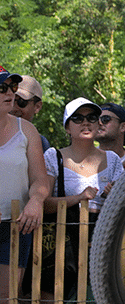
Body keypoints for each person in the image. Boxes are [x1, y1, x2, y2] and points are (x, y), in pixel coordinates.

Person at [42, 97, 125, 300]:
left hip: (103, 237)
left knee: (100, 295)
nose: (86, 122)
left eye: (92, 117)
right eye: (77, 118)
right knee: (54, 295)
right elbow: (43, 204)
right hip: (63, 238)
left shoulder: (113, 160)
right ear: (67, 127)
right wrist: (78, 197)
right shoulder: (53, 156)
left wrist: (115, 195)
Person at [0, 66, 49, 303]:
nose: (10, 93)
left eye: (12, 87)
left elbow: (40, 178)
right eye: (2, 88)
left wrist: (36, 200)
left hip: (15, 227)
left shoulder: (27, 130)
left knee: (8, 297)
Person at [9, 75, 51, 152]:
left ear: (37, 107)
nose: (13, 108)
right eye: (10, 100)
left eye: (21, 102)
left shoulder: (41, 144)